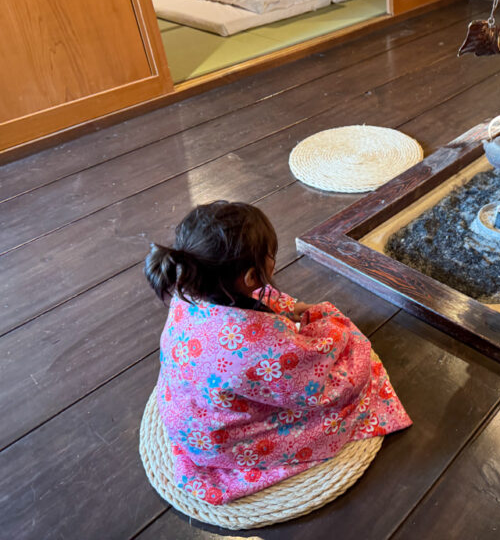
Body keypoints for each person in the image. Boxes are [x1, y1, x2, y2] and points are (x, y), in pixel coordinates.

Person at [144, 201, 411, 505]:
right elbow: (313, 388)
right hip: (221, 440)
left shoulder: (187, 291)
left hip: (187, 416)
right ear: (250, 278)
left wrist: (289, 308)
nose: (273, 261)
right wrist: (334, 329)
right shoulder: (262, 346)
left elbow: (254, 302)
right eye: (270, 256)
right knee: (348, 374)